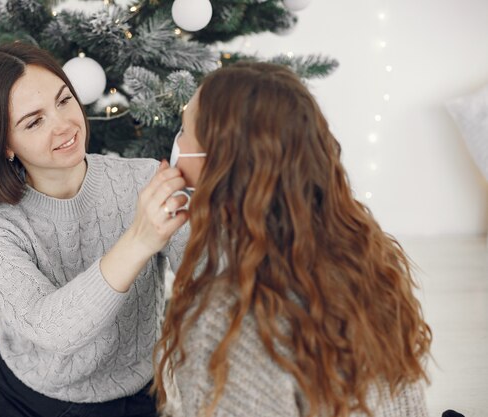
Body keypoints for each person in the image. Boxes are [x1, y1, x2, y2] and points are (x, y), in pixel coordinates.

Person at [0, 42, 190, 417]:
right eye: (34, 121)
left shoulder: (145, 180)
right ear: (5, 145)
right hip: (17, 384)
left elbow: (210, 281)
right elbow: (53, 331)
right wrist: (140, 240)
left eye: (64, 100)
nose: (65, 125)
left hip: (123, 399)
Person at [153, 62, 433, 417]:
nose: (176, 144)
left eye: (184, 129)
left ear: (219, 165)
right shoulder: (367, 257)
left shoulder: (229, 319)